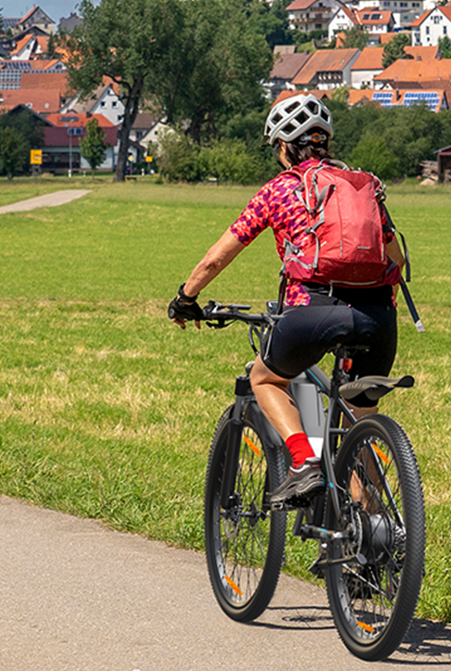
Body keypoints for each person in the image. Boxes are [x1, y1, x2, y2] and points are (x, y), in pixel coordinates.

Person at [168, 93, 406, 505]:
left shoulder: (280, 189)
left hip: (311, 311)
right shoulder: (361, 186)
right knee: (356, 422)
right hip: (377, 318)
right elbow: (396, 257)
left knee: (266, 378)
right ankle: (373, 526)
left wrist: (185, 298)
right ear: (324, 142)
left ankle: (303, 464)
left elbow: (216, 257)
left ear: (282, 145)